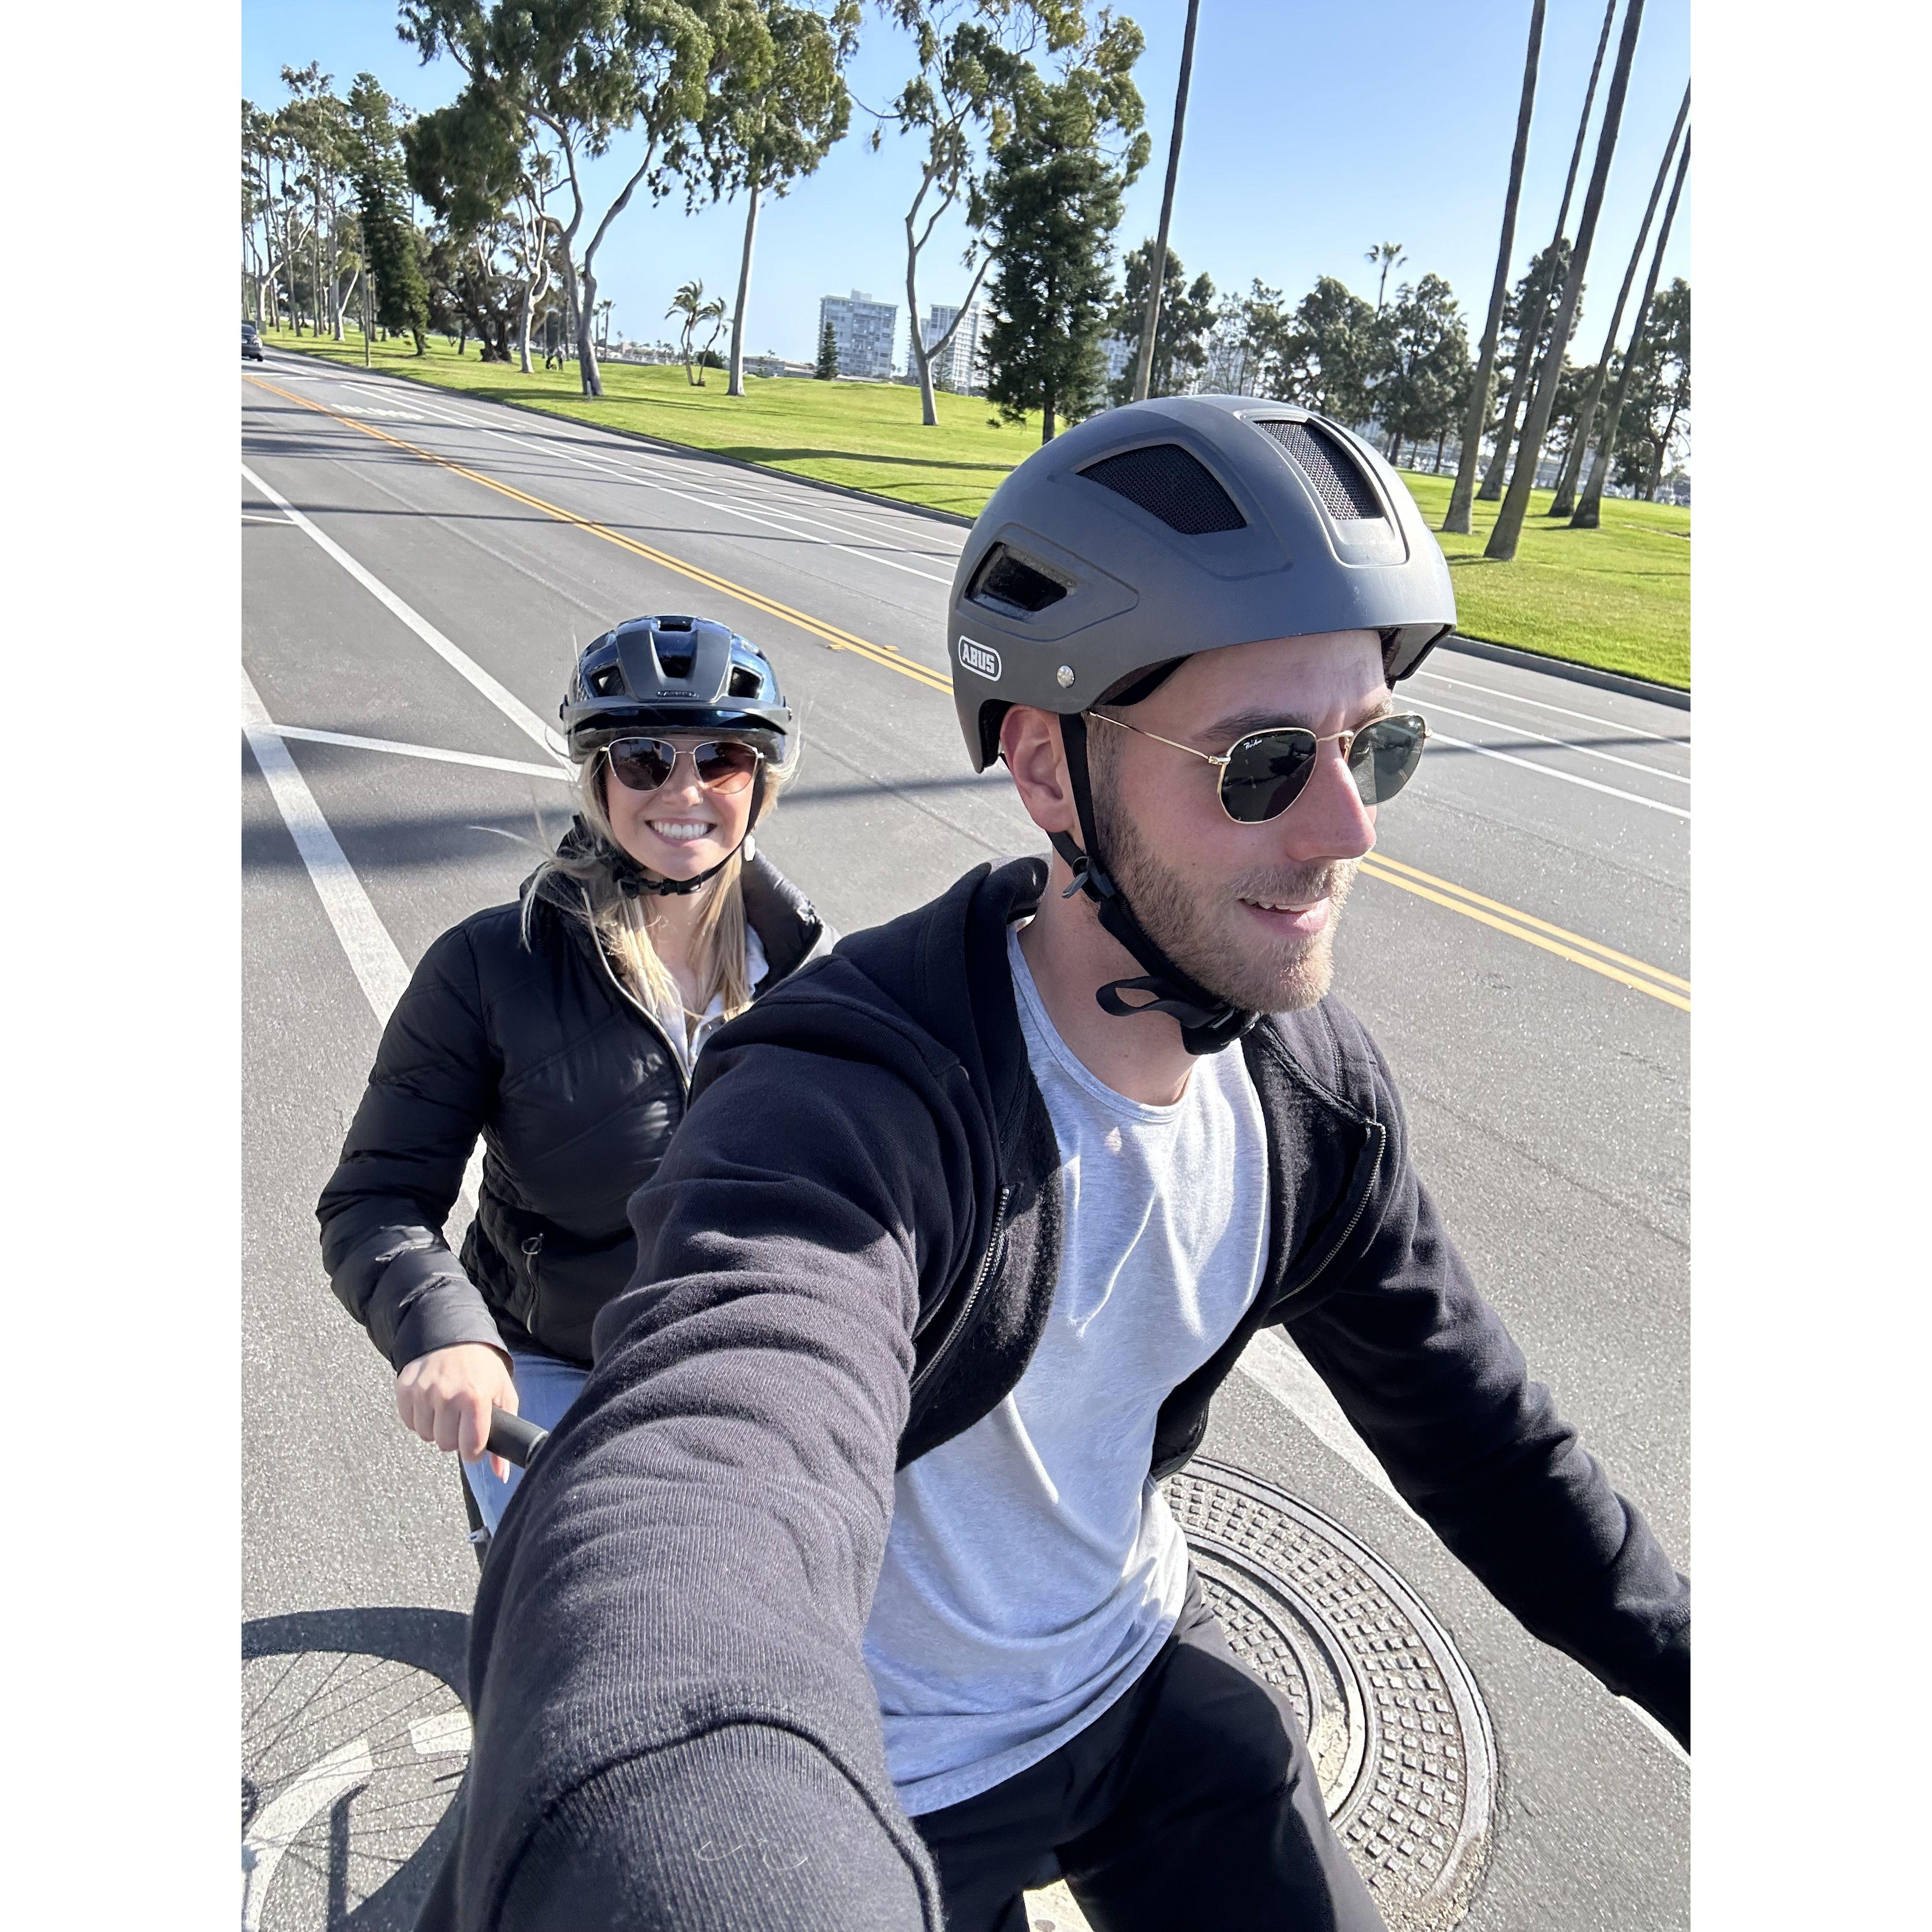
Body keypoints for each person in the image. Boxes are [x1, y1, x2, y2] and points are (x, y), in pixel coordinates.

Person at [453, 400, 1690, 1931]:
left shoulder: (1311, 1095)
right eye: (1263, 763)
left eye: (1377, 745)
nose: (1349, 825)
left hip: (1133, 1672)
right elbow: (719, 1448)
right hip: (884, 1781)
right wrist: (686, 1821)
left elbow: (1493, 1452)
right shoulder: (847, 1090)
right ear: (1047, 772)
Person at [317, 617, 831, 1534]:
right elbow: (376, 1198)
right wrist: (451, 1337)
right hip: (552, 1370)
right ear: (598, 776)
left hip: (740, 1376)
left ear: (761, 782)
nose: (685, 790)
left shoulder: (816, 980)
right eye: (644, 759)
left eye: (722, 757)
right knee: (583, 1649)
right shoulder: (492, 966)